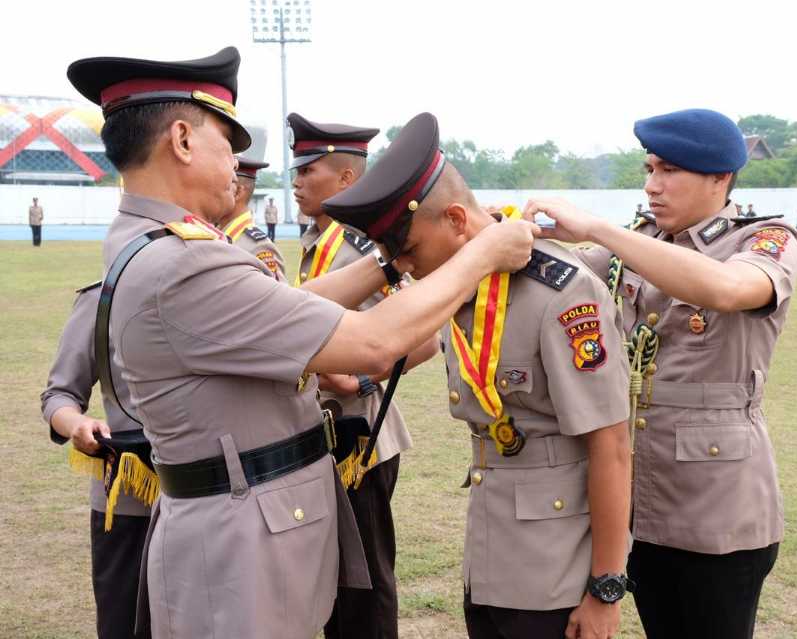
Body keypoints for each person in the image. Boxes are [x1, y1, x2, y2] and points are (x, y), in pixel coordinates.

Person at [66, 47, 537, 639]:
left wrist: (389, 261)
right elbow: (373, 343)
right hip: (241, 556)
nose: (236, 161)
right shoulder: (182, 264)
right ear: (183, 140)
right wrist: (483, 253)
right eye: (226, 141)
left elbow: (300, 307)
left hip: (239, 538)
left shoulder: (156, 245)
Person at [324, 112, 633, 639]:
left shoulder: (561, 292)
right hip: (492, 551)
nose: (408, 269)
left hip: (555, 565)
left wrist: (606, 585)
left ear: (456, 220)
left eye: (411, 252)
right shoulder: (462, 286)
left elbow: (612, 444)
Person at [524, 108, 797, 639]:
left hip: (716, 510)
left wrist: (599, 227)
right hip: (638, 502)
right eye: (649, 169)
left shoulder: (765, 239)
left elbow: (727, 290)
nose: (653, 185)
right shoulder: (641, 238)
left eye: (670, 171)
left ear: (720, 177)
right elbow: (570, 269)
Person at [287, 111, 434, 639]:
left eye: (309, 172)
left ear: (347, 179)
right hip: (323, 435)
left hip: (363, 441)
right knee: (334, 581)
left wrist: (364, 380)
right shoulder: (315, 242)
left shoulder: (362, 250)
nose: (297, 181)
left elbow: (426, 340)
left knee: (365, 583)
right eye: (297, 171)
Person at [41, 283, 152, 639]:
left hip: (217, 504)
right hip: (130, 502)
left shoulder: (220, 290)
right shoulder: (102, 300)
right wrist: (77, 424)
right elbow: (59, 394)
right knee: (125, 625)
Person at [219, 126, 285, 279]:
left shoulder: (257, 247)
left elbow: (273, 301)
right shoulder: (222, 235)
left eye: (223, 183)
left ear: (238, 192)